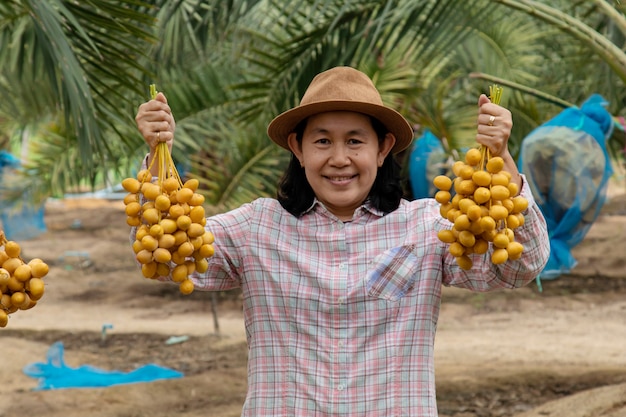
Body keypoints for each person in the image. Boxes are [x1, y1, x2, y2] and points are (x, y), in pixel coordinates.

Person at [134, 66, 550, 417]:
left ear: (383, 148)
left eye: (355, 140)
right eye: (322, 141)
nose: (339, 158)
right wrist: (157, 156)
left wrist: (501, 159)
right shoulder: (256, 228)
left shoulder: (429, 227)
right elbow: (169, 260)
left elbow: (517, 267)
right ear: (297, 148)